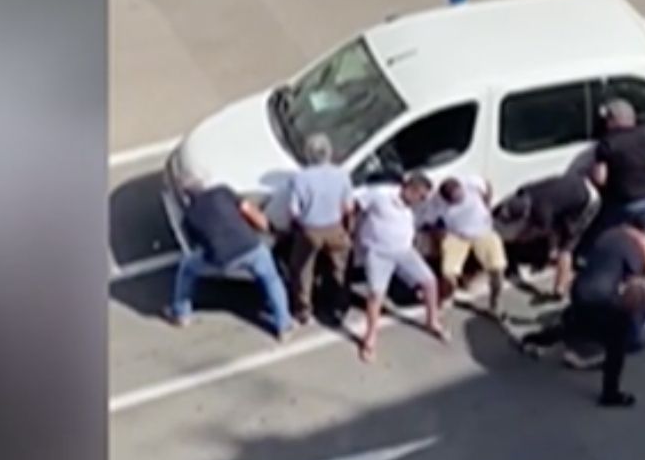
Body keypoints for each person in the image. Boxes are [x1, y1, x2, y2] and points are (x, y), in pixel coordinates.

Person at [520, 220, 645, 408]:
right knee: (616, 343)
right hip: (601, 299)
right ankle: (610, 393)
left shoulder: (609, 235)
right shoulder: (634, 255)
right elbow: (636, 290)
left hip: (580, 289)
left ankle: (533, 339)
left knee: (577, 324)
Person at [168, 179, 293, 337]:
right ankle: (284, 325)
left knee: (187, 268)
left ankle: (181, 314)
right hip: (250, 247)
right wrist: (267, 228)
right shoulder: (222, 192)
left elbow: (196, 245)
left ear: (187, 197)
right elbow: (248, 210)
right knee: (271, 279)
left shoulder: (188, 217)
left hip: (222, 259)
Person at [353, 172, 447, 362]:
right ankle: (370, 337)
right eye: (420, 196)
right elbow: (355, 204)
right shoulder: (380, 194)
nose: (421, 201)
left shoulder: (418, 207)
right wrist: (354, 230)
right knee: (376, 295)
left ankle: (432, 321)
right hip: (379, 253)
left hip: (405, 251)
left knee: (430, 282)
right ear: (409, 189)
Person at [495, 171, 602, 299]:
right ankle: (552, 256)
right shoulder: (526, 191)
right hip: (577, 185)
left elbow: (536, 231)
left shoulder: (542, 214)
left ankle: (559, 289)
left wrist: (519, 237)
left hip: (588, 201)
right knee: (555, 232)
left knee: (567, 247)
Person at [287, 133, 354, 325]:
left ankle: (304, 309)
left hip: (310, 230)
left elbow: (294, 210)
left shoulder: (300, 178)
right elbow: (348, 207)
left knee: (302, 269)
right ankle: (338, 305)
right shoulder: (342, 175)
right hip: (335, 227)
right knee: (339, 267)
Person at [429, 175, 508, 317]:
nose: (459, 200)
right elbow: (433, 224)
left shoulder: (471, 183)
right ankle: (445, 296)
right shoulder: (437, 204)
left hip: (483, 232)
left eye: (460, 196)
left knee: (498, 269)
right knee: (448, 274)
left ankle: (494, 304)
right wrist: (441, 238)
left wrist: (487, 205)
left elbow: (487, 184)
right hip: (458, 236)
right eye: (454, 200)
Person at [591, 98, 645, 234]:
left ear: (614, 120)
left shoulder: (607, 143)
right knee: (643, 234)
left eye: (608, 119)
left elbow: (600, 178)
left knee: (608, 232)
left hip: (623, 203)